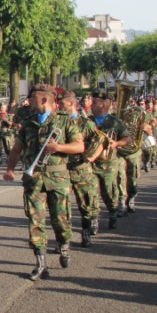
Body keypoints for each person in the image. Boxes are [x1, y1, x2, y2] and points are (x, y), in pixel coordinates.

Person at [4, 85, 84, 281]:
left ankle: (64, 244)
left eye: (32, 98)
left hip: (58, 180)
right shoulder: (28, 124)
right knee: (35, 221)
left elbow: (79, 146)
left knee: (61, 221)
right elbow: (16, 149)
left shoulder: (63, 121)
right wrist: (10, 169)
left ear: (43, 100)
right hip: (34, 181)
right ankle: (40, 263)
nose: (29, 101)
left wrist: (59, 147)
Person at [60, 91, 102, 248]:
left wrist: (91, 157)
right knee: (62, 206)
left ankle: (85, 232)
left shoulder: (86, 123)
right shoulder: (58, 122)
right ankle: (64, 239)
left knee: (86, 205)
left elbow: (100, 141)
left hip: (81, 169)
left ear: (70, 103)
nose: (59, 105)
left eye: (62, 102)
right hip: (62, 169)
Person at [87, 91, 129, 231]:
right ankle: (94, 219)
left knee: (109, 192)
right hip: (91, 162)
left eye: (94, 103)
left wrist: (116, 144)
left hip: (108, 163)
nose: (90, 105)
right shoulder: (88, 121)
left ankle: (112, 212)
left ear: (103, 105)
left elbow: (127, 138)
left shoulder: (115, 122)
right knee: (91, 192)